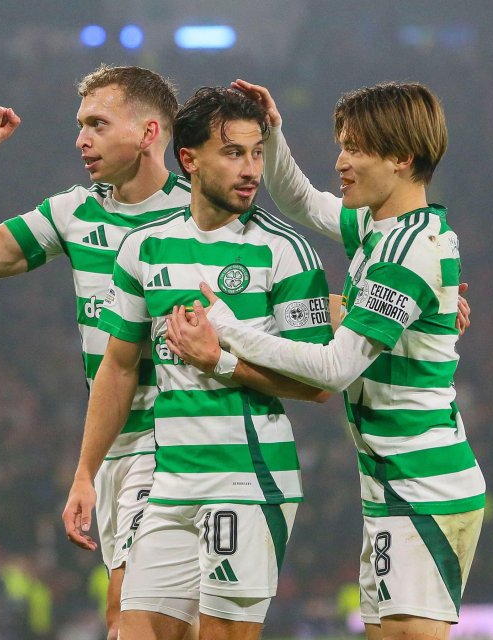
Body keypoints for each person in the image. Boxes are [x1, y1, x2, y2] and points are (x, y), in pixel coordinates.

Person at [166, 81, 485, 640]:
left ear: (401, 157)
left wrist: (228, 332)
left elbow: (335, 369)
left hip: (426, 486)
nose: (340, 161)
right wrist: (274, 131)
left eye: (355, 148)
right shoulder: (380, 227)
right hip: (391, 484)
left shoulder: (408, 251)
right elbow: (300, 200)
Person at [62, 87, 333, 640]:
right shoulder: (145, 248)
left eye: (257, 153)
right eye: (234, 153)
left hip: (248, 482)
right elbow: (116, 367)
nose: (251, 168)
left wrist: (223, 362)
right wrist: (85, 472)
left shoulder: (286, 252)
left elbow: (319, 382)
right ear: (190, 159)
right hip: (171, 482)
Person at [0, 64, 191, 640]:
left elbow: (281, 286)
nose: (81, 139)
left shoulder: (202, 212)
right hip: (114, 445)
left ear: (149, 133)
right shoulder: (75, 213)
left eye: (98, 125)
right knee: (159, 621)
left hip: (181, 435)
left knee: (132, 617)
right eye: (81, 126)